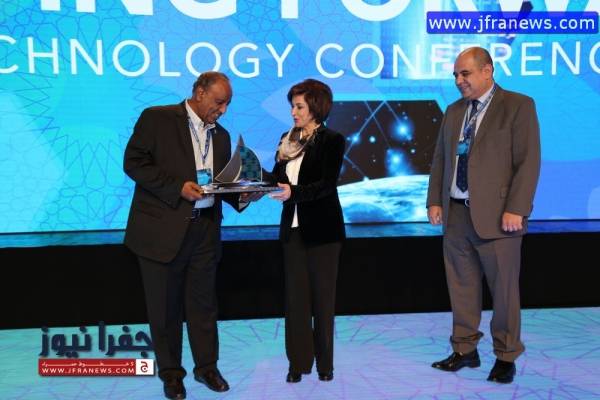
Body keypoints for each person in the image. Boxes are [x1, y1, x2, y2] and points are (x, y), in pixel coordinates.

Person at [124, 71, 261, 399]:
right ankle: (171, 374)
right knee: (164, 309)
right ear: (199, 92)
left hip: (205, 231)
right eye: (219, 102)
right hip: (162, 230)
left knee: (204, 306)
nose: (223, 110)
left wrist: (244, 195)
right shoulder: (157, 118)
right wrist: (177, 188)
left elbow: (221, 183)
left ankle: (207, 368)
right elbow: (134, 163)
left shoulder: (222, 136)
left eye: (227, 104)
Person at [426, 47, 541, 384]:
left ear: (487, 71)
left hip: (500, 217)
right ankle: (465, 350)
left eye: (465, 74)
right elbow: (440, 159)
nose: (459, 81)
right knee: (461, 287)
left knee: (504, 292)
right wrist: (434, 201)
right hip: (456, 214)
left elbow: (528, 162)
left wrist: (517, 208)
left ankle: (506, 356)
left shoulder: (518, 105)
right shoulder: (454, 111)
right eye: (455, 75)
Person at [269, 79, 346, 383]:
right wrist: (252, 179)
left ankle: (325, 365)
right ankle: (298, 363)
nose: (293, 112)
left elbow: (326, 184)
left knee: (323, 302)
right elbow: (277, 179)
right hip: (293, 233)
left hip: (324, 233)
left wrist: (294, 193)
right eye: (292, 106)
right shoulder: (286, 139)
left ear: (315, 107)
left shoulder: (332, 140)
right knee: (295, 302)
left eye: (299, 106)